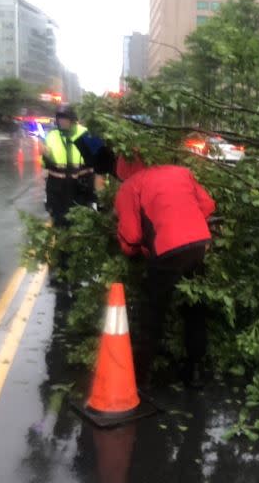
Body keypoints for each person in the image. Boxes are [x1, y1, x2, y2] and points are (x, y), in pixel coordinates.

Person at [111, 154, 216, 388]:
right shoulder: (180, 171)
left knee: (151, 312)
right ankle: (194, 369)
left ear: (124, 167)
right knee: (195, 307)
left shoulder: (130, 186)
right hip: (199, 244)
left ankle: (140, 377)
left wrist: (131, 249)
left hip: (166, 249)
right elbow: (208, 205)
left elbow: (132, 236)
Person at [41, 106, 95, 225]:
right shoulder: (52, 135)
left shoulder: (86, 134)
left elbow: (101, 164)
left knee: (81, 224)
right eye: (59, 119)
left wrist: (98, 195)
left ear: (73, 119)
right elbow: (45, 164)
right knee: (59, 223)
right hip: (57, 189)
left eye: (65, 118)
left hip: (81, 188)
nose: (62, 122)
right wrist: (45, 155)